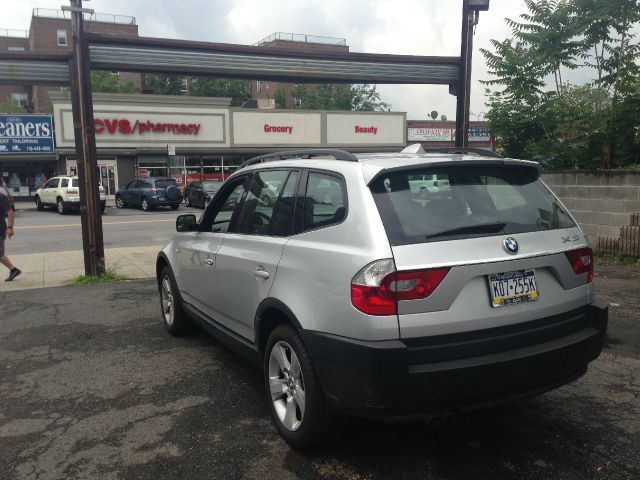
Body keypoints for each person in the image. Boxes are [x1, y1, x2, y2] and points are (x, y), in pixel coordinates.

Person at [0, 185, 21, 282]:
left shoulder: (1, 197)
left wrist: (10, 227)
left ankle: (14, 270)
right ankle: (14, 270)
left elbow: (9, 212)